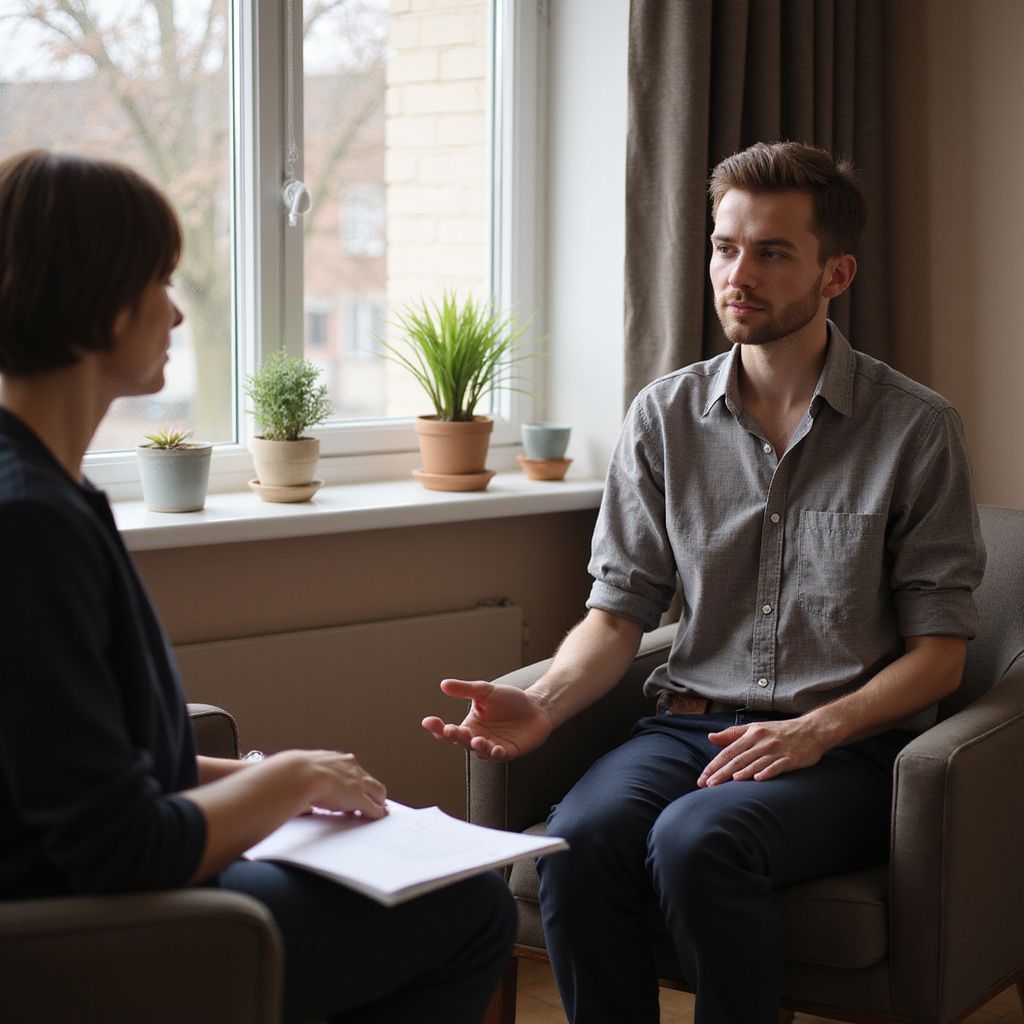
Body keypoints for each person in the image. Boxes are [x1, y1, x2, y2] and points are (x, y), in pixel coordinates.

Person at [423, 141, 986, 1024]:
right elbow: (618, 612)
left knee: (698, 841)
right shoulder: (663, 416)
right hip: (688, 726)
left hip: (844, 751)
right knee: (577, 842)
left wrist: (814, 731)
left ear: (835, 274)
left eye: (772, 252)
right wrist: (546, 702)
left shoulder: (915, 429)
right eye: (726, 248)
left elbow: (941, 657)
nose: (737, 275)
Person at [0, 149, 515, 1024]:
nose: (174, 311)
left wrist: (269, 773)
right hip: (81, 936)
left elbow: (83, 763)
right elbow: (120, 848)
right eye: (159, 280)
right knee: (470, 913)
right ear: (100, 299)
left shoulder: (50, 489)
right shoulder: (29, 524)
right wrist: (286, 784)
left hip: (92, 893)